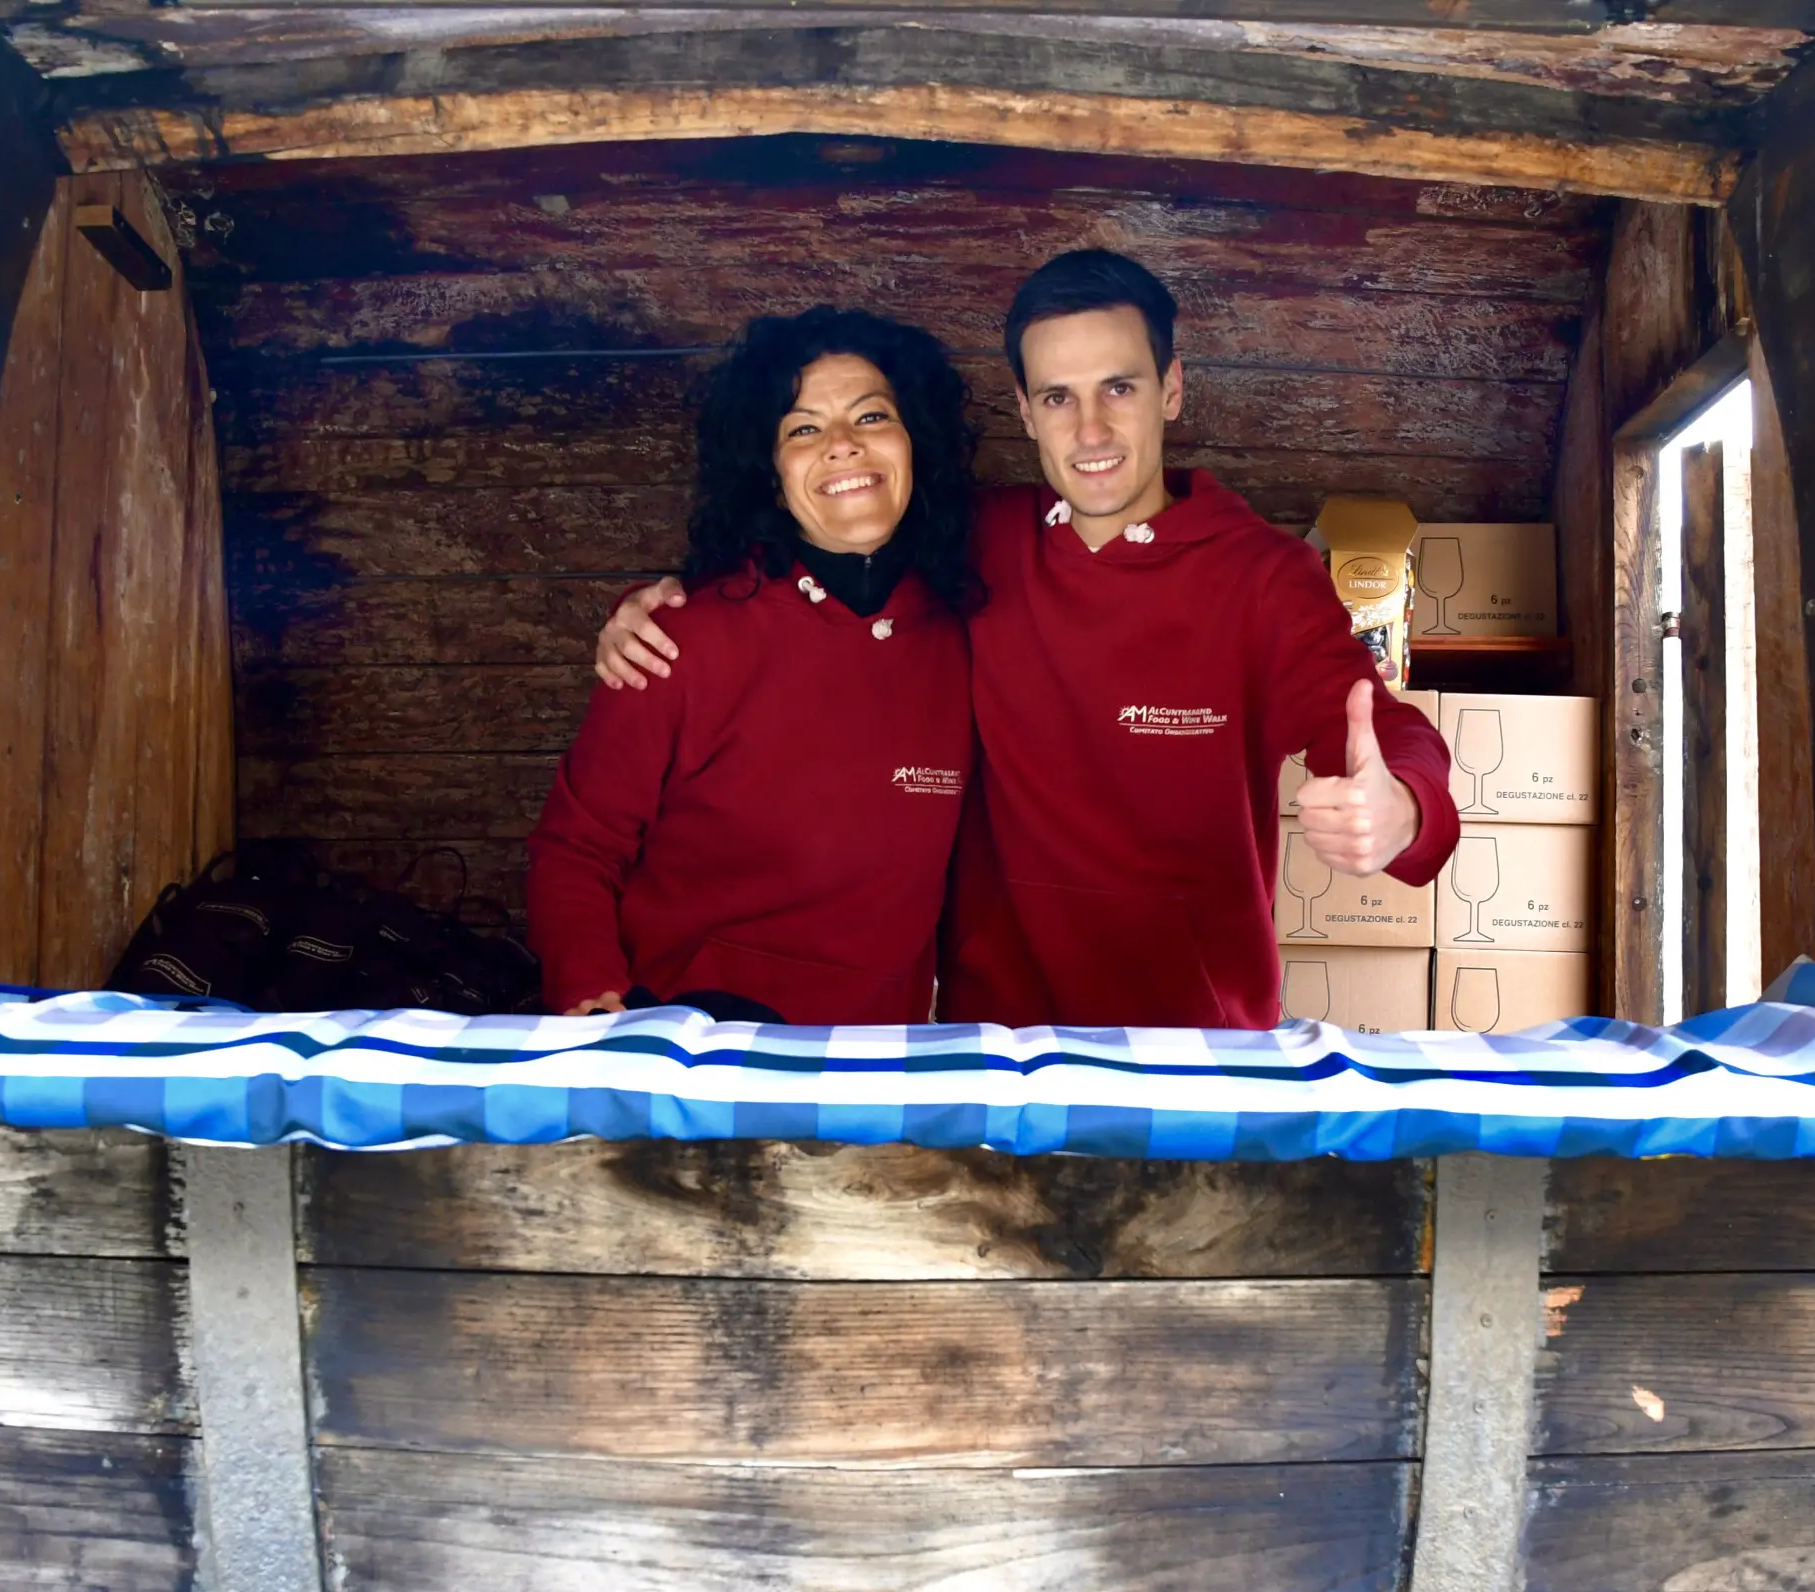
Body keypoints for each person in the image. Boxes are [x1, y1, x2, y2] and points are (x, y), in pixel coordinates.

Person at [592, 249, 1457, 1030]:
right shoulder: (978, 544)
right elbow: (822, 534)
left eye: (1118, 387)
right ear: (1026, 409)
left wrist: (1404, 809)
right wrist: (656, 607)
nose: (1090, 431)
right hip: (993, 1045)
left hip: (1197, 1041)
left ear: (1174, 388)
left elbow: (1375, 724)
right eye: (1058, 397)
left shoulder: (1262, 578)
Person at [526, 307, 979, 1026]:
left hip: (880, 1066)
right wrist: (596, 1006)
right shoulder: (676, 642)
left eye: (870, 417)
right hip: (690, 1050)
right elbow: (577, 849)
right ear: (769, 473)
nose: (841, 446)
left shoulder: (971, 631)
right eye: (803, 428)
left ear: (914, 442)